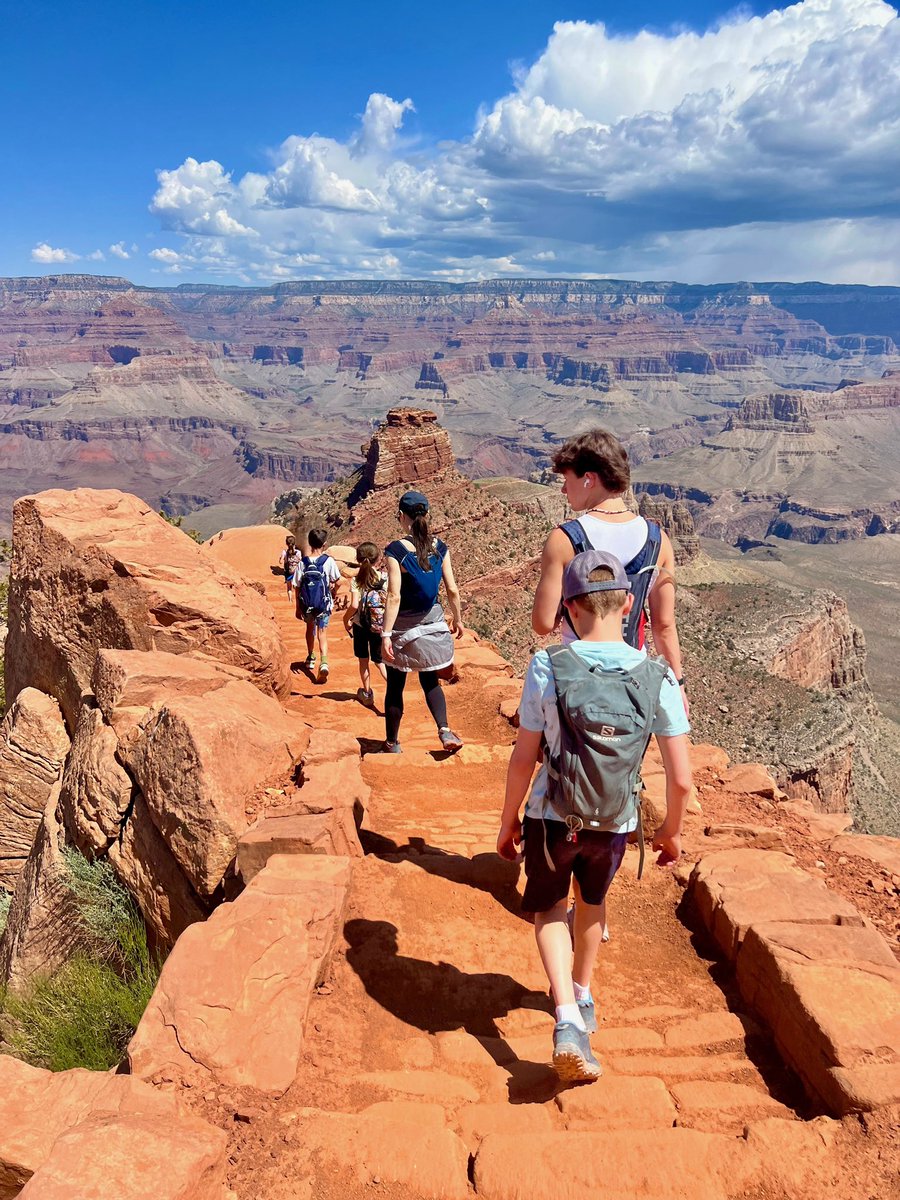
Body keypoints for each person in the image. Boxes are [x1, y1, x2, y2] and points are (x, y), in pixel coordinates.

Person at [498, 551, 691, 1083]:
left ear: (569, 607)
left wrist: (509, 820)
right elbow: (680, 779)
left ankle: (565, 1020)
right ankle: (582, 996)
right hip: (615, 821)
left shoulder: (548, 665)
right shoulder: (659, 677)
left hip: (551, 816)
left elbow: (523, 757)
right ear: (629, 603)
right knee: (593, 904)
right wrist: (669, 833)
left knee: (549, 911)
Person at [532, 428, 688, 718]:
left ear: (589, 479)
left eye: (568, 480)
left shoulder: (564, 539)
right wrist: (677, 684)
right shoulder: (659, 540)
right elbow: (664, 626)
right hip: (634, 681)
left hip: (577, 679)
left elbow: (542, 624)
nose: (564, 490)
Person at [380, 490, 465, 754]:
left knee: (395, 685)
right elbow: (452, 589)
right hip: (433, 622)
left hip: (403, 626)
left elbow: (394, 596)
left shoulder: (395, 550)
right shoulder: (440, 547)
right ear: (427, 515)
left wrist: (385, 635)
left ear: (401, 517)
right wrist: (458, 619)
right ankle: (444, 730)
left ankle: (392, 744)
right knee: (430, 681)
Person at [293, 528, 341, 683]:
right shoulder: (328, 561)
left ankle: (310, 656)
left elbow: (297, 586)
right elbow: (338, 581)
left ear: (309, 543)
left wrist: (298, 607)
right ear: (324, 544)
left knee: (309, 629)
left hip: (307, 605)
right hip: (323, 605)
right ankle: (324, 662)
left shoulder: (303, 563)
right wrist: (333, 592)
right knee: (322, 633)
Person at [343, 541, 388, 707]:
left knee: (363, 660)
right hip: (379, 625)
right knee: (379, 660)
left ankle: (367, 694)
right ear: (378, 559)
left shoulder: (357, 580)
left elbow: (354, 605)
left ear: (358, 559)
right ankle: (393, 688)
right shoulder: (384, 578)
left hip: (360, 626)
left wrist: (345, 619)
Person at [278, 534, 302, 601]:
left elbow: (280, 562)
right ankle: (298, 599)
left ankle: (290, 600)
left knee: (289, 588)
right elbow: (300, 561)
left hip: (288, 572)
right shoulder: (298, 552)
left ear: (286, 543)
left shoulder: (284, 552)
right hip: (297, 571)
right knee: (297, 586)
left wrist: (281, 558)